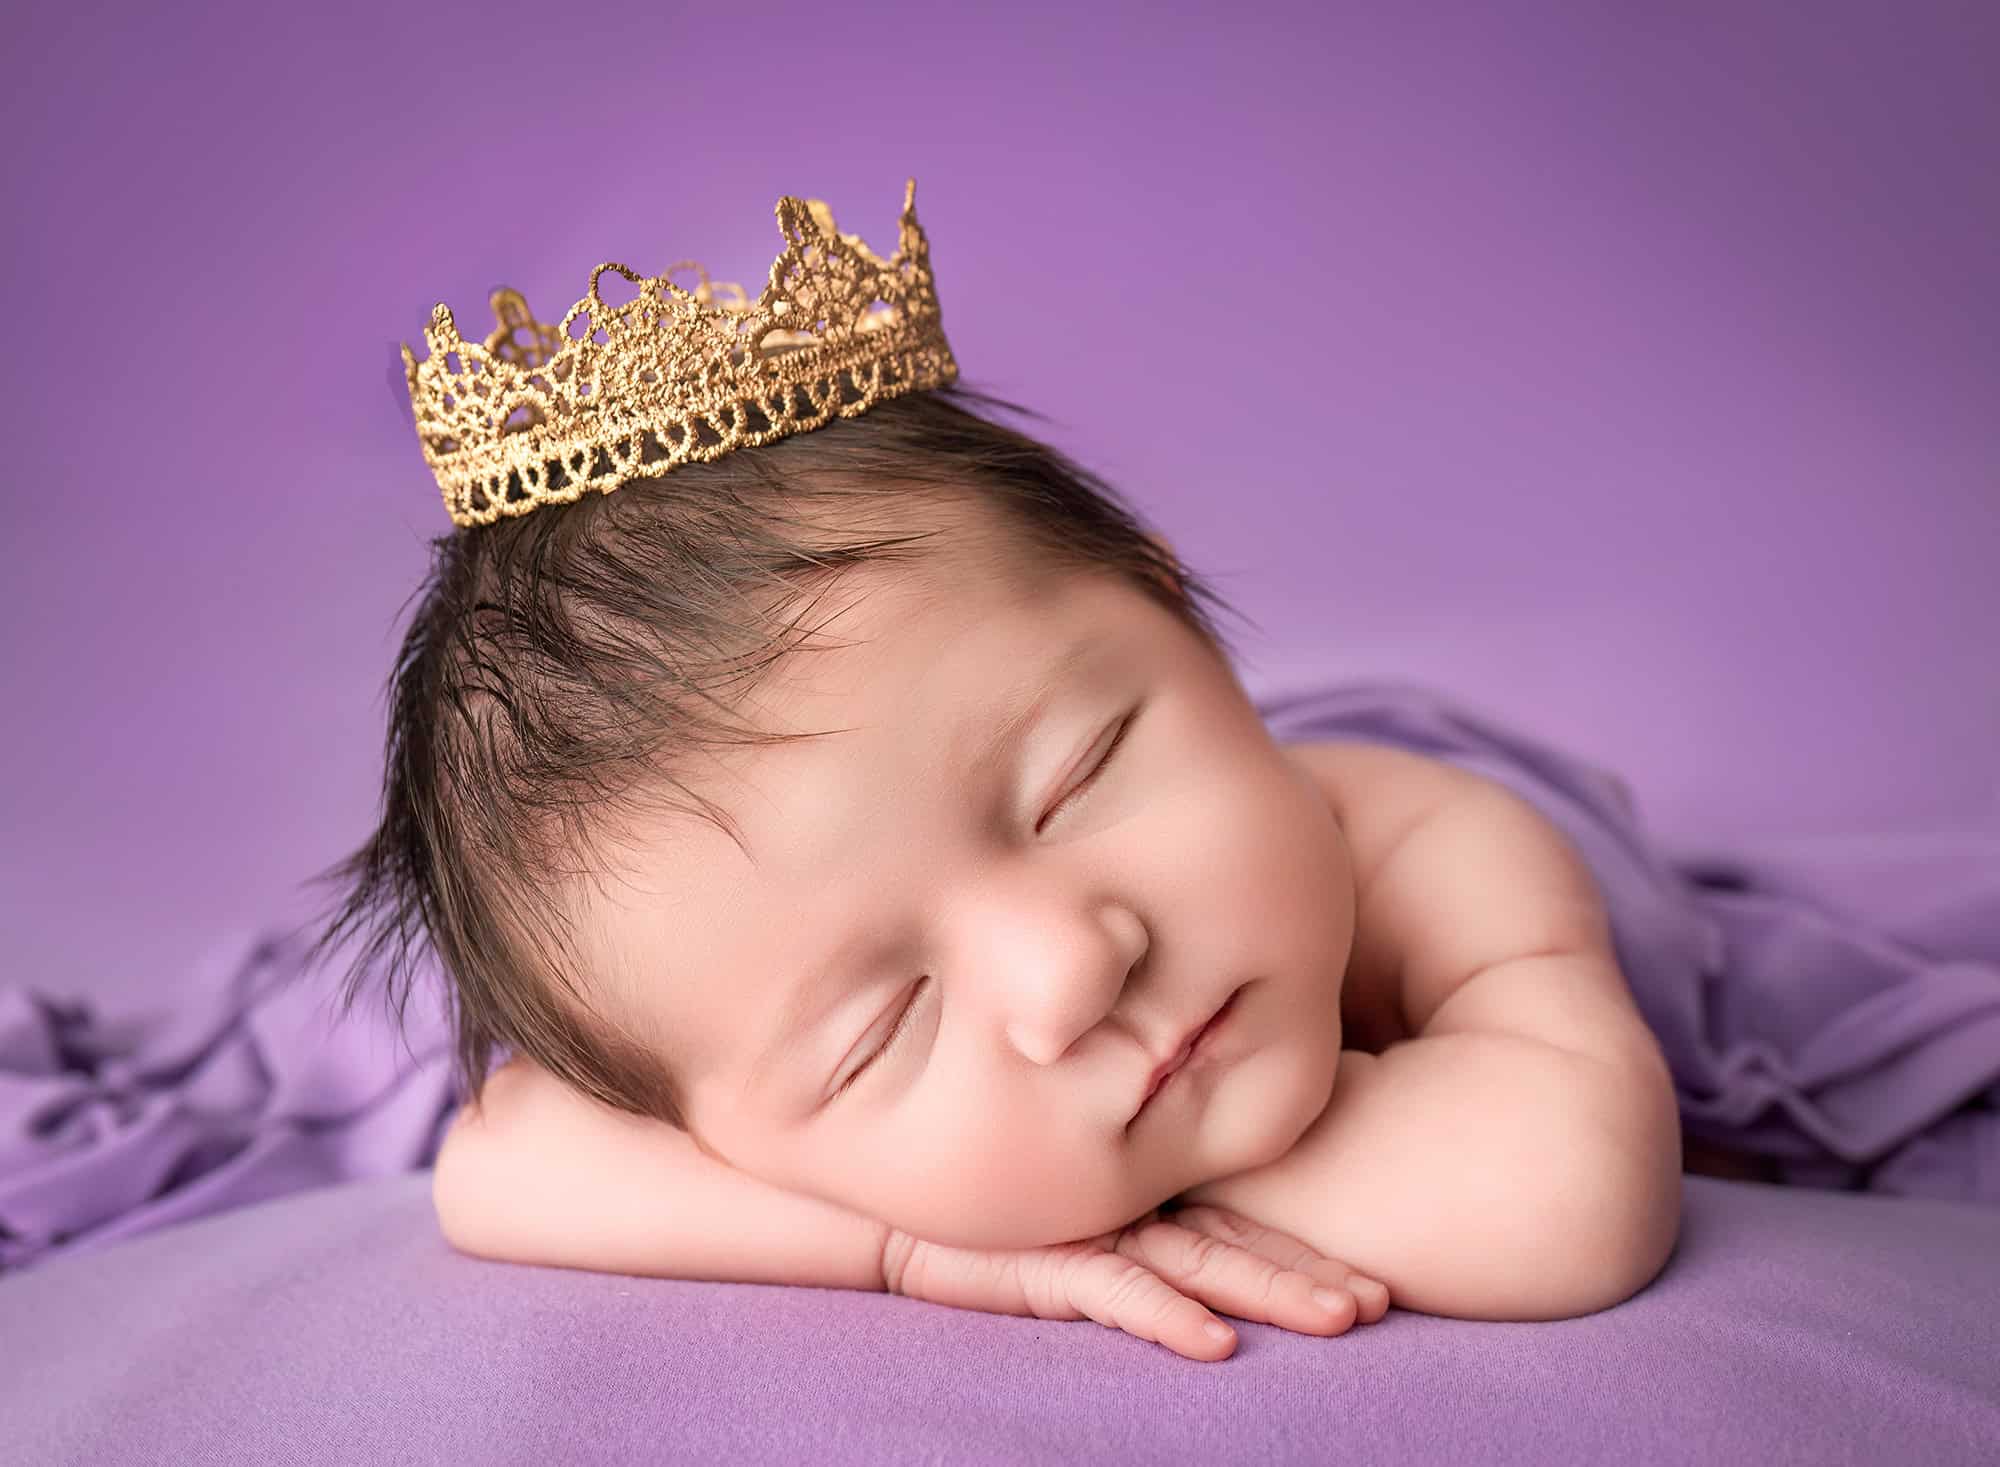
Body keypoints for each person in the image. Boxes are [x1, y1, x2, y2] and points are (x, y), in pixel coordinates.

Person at [299, 179, 1682, 1360]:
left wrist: (1086, 1192)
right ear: (735, 1134)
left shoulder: (1440, 844)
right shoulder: (707, 993)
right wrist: (923, 1247)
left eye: (1074, 781)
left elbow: (1567, 1194)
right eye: (883, 1030)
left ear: (1171, 608)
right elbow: (492, 1166)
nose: (1069, 970)